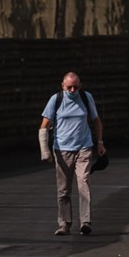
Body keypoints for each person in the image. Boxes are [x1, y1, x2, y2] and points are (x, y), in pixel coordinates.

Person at [39, 72, 106, 235]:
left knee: (83, 182)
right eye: (69, 87)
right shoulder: (56, 100)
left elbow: (96, 121)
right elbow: (44, 126)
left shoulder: (85, 97)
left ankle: (85, 222)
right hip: (62, 150)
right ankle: (64, 223)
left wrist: (100, 143)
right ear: (63, 86)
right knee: (64, 189)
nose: (72, 90)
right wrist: (45, 150)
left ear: (80, 86)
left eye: (75, 87)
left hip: (83, 147)